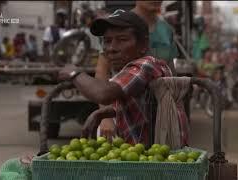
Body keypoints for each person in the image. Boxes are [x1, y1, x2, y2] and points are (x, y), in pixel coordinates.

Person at [58, 10, 172, 145]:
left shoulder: (145, 66)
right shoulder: (132, 72)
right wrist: (103, 113)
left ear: (143, 45)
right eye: (107, 41)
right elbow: (140, 105)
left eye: (122, 40)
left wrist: (74, 73)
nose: (111, 48)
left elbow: (103, 94)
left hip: (151, 161)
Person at [95, 1, 179, 139]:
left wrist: (174, 113)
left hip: (158, 116)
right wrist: (106, 117)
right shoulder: (118, 20)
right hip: (121, 113)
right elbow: (101, 72)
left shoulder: (166, 30)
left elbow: (172, 76)